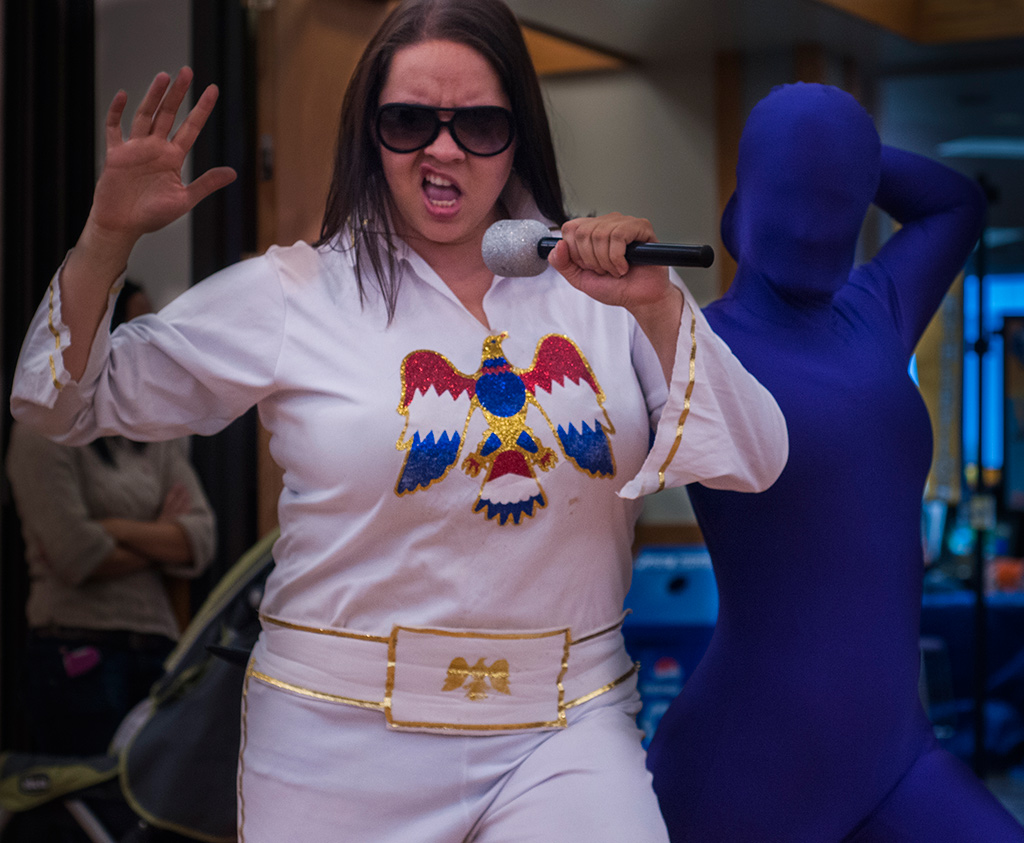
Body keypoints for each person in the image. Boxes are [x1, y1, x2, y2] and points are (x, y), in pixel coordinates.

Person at [10, 0, 787, 838]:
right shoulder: (294, 293)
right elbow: (58, 400)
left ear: (519, 132)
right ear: (369, 134)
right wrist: (106, 235)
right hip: (334, 738)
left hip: (564, 725)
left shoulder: (600, 292)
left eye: (480, 124)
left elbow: (756, 456)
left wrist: (660, 310)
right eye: (410, 120)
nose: (443, 148)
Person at [646, 82, 1024, 841]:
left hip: (896, 755)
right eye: (797, 188)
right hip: (745, 768)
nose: (820, 220)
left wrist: (843, 151)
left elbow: (957, 206)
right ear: (753, 198)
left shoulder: (873, 308)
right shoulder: (694, 348)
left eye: (839, 196)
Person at [6, 279, 216, 756]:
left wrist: (114, 530)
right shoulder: (41, 431)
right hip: (77, 653)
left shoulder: (156, 434)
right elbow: (75, 554)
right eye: (133, 325)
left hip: (157, 651)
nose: (145, 342)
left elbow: (201, 541)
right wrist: (162, 540)